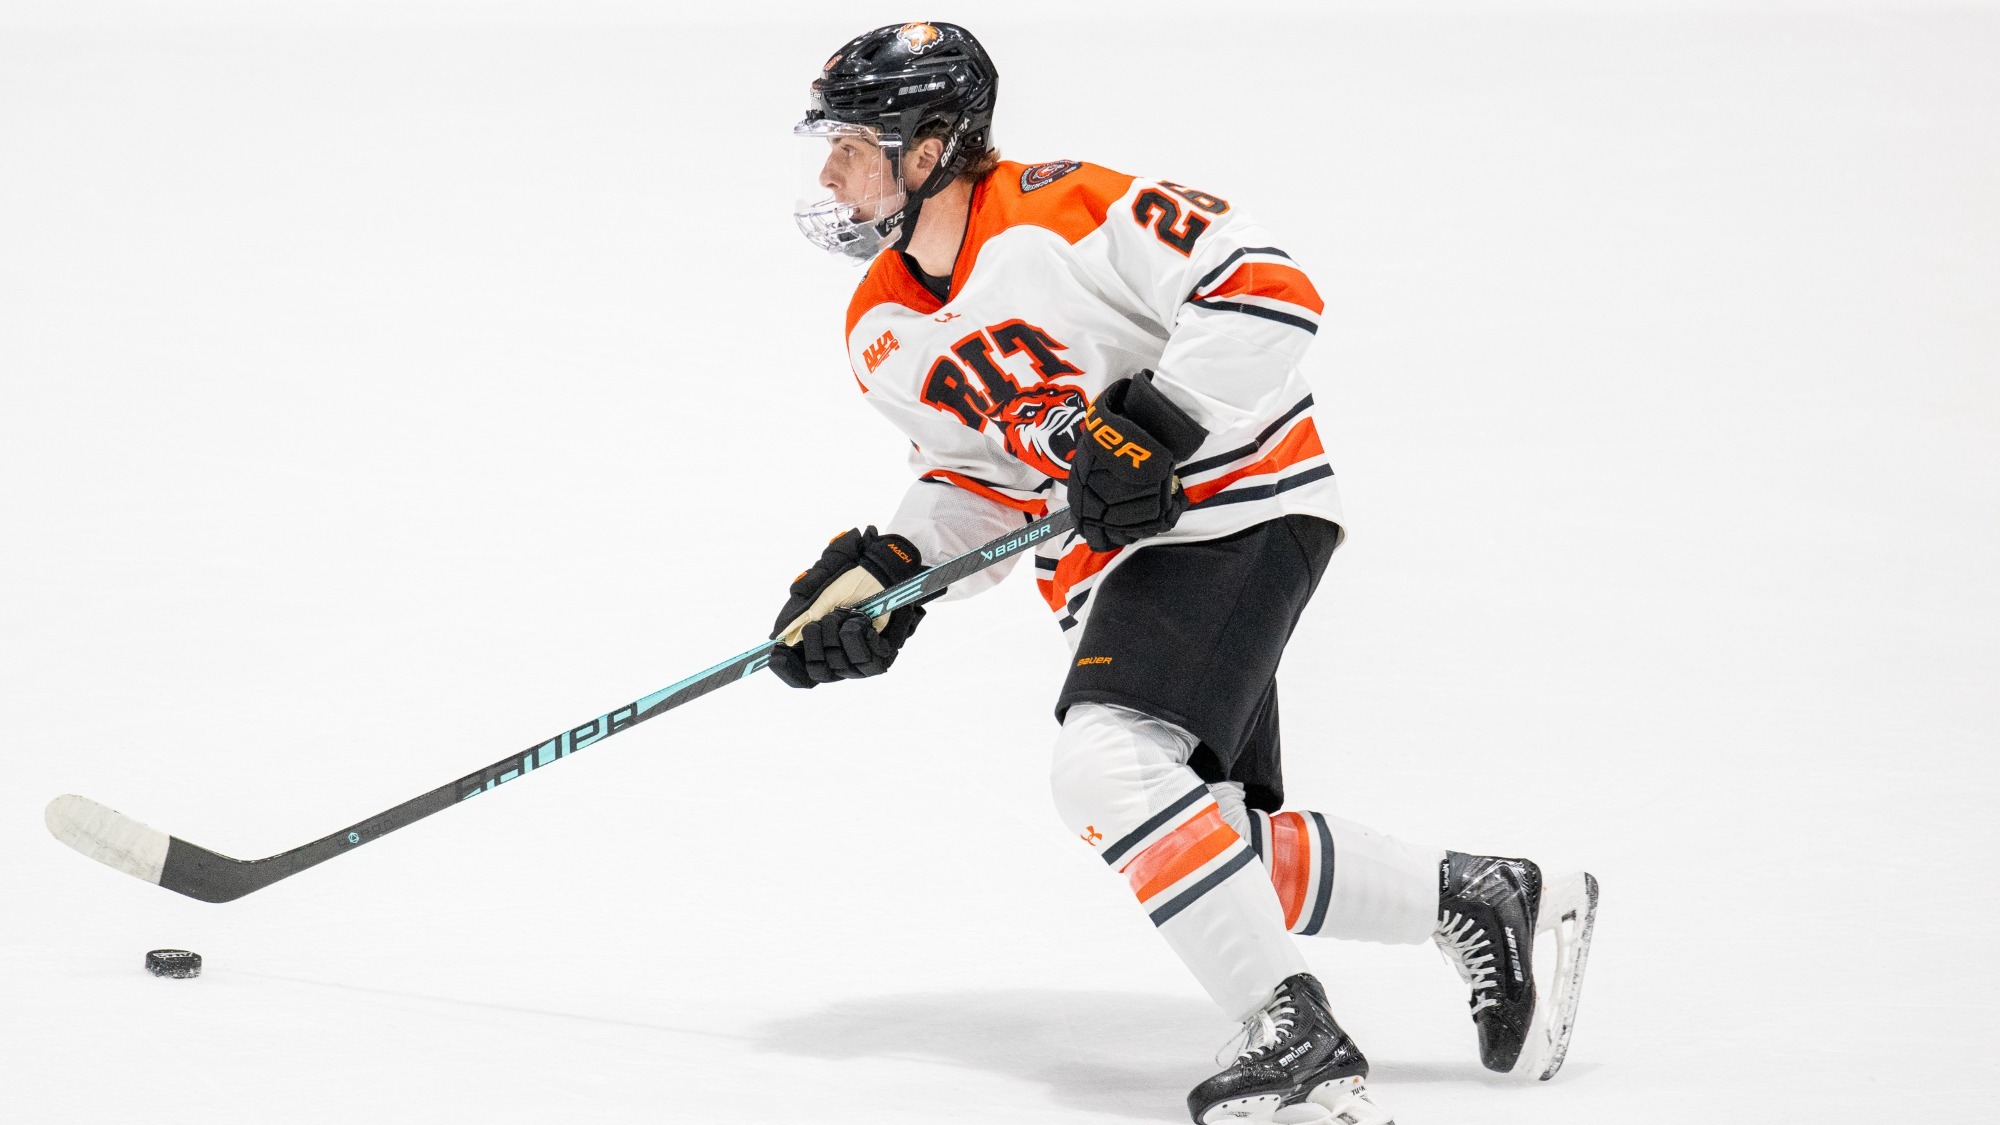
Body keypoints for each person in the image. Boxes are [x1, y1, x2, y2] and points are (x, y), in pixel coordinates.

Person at [772, 22, 1599, 1125]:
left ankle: (1291, 1036)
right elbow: (982, 479)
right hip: (1117, 569)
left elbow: (1268, 288)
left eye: (850, 143)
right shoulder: (878, 322)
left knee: (1105, 768)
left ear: (927, 149)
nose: (828, 171)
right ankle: (1478, 896)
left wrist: (1157, 423)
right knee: (1200, 837)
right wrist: (892, 573)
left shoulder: (1071, 208)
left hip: (1235, 513)